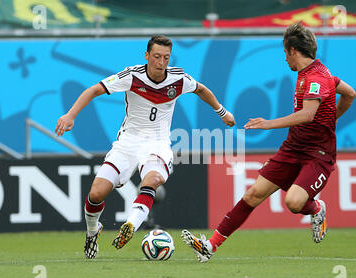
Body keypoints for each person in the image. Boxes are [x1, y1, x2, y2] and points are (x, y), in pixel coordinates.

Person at [182, 22, 356, 262]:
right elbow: (350, 94)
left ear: (293, 50)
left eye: (285, 53)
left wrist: (268, 123)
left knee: (294, 202)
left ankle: (316, 208)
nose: (285, 59)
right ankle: (209, 247)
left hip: (318, 153)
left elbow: (307, 115)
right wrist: (332, 117)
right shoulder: (318, 74)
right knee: (253, 194)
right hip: (293, 148)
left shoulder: (315, 78)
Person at [55, 35, 235, 259]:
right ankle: (93, 231)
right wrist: (70, 115)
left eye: (166, 58)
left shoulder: (178, 79)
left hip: (158, 143)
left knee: (152, 180)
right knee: (96, 193)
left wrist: (222, 112)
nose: (161, 62)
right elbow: (93, 90)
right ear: (147, 55)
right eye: (157, 56)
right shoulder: (131, 76)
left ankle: (130, 224)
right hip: (128, 142)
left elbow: (201, 90)